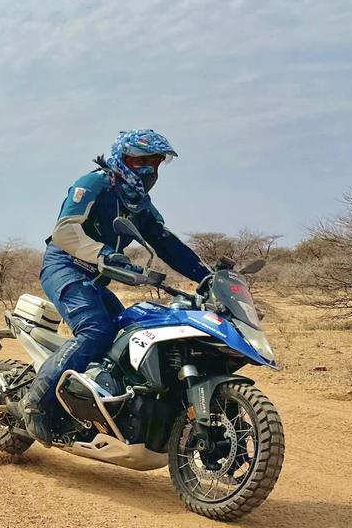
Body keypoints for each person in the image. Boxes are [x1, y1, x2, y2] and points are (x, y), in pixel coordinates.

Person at [22, 130, 211, 443]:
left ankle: (96, 406)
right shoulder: (96, 182)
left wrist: (205, 276)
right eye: (145, 161)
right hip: (65, 267)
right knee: (95, 332)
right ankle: (37, 405)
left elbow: (166, 243)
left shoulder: (139, 203)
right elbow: (64, 233)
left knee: (126, 338)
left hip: (96, 278)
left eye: (157, 162)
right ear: (125, 158)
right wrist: (103, 254)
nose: (152, 170)